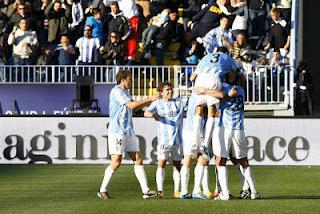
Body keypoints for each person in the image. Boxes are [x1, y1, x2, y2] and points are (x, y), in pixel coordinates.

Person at [97, 69, 160, 199]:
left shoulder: (126, 92)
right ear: (123, 79)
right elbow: (131, 105)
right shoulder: (117, 91)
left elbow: (134, 107)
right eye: (130, 79)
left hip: (128, 130)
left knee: (138, 158)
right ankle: (102, 190)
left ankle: (146, 191)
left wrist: (150, 102)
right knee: (116, 162)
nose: (132, 81)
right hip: (117, 131)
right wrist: (150, 98)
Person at [211, 70, 261, 200]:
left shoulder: (224, 88)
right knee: (243, 161)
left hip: (225, 128)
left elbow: (219, 96)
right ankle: (254, 192)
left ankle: (225, 193)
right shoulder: (241, 90)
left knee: (220, 160)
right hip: (239, 129)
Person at [189, 47, 237, 162]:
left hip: (200, 80)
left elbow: (192, 77)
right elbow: (234, 73)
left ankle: (195, 144)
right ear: (225, 52)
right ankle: (205, 144)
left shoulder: (205, 57)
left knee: (199, 110)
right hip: (213, 79)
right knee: (212, 112)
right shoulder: (227, 57)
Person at [144, 81, 184, 198]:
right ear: (161, 92)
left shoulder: (179, 102)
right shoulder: (157, 103)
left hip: (178, 139)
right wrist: (153, 115)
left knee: (177, 165)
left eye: (171, 89)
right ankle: (160, 191)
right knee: (161, 164)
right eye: (167, 90)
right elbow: (146, 112)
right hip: (164, 139)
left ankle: (177, 191)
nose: (170, 91)